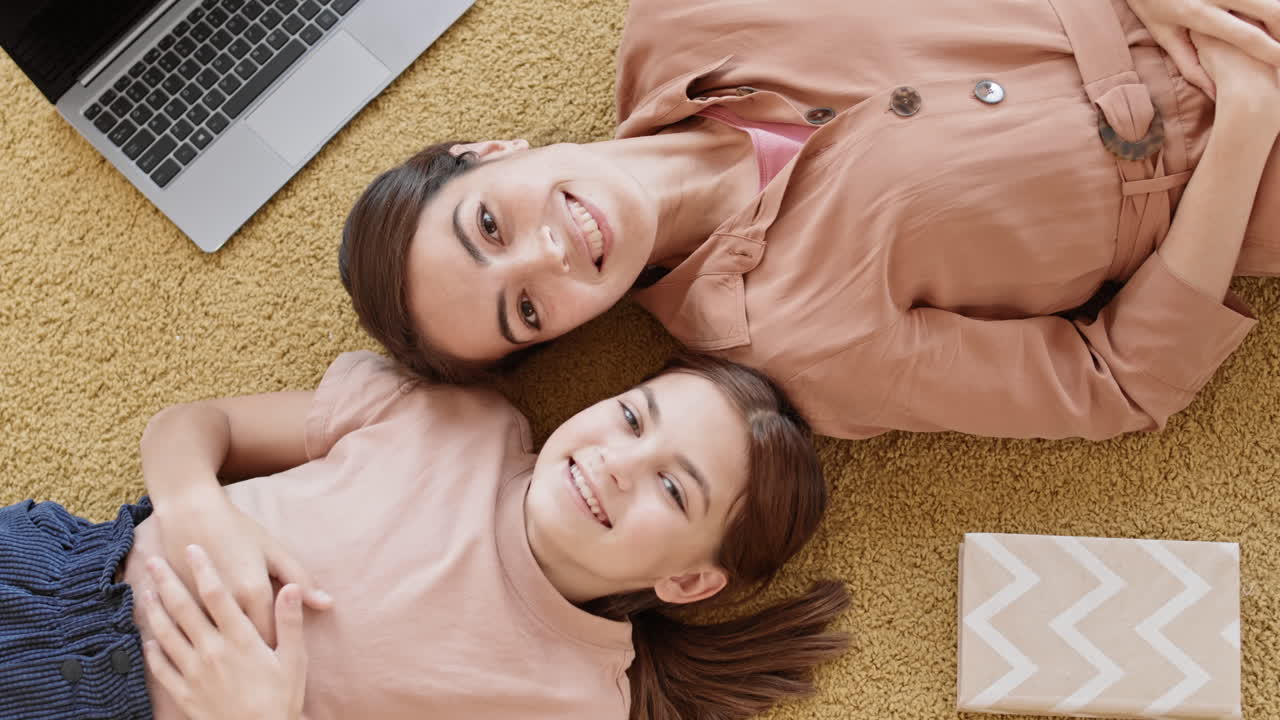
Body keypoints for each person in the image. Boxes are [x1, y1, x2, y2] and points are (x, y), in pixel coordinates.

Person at [339, 0, 1280, 441]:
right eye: (527, 312)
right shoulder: (795, 341)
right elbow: (1114, 383)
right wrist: (1244, 118)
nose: (551, 257)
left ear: (489, 152)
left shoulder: (685, 17)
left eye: (490, 230)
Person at [0, 351, 848, 720]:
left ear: (693, 581)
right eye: (632, 417)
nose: (620, 462)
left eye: (673, 485)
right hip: (53, 575)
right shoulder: (451, 416)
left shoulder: (578, 703)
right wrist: (192, 504)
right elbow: (195, 424)